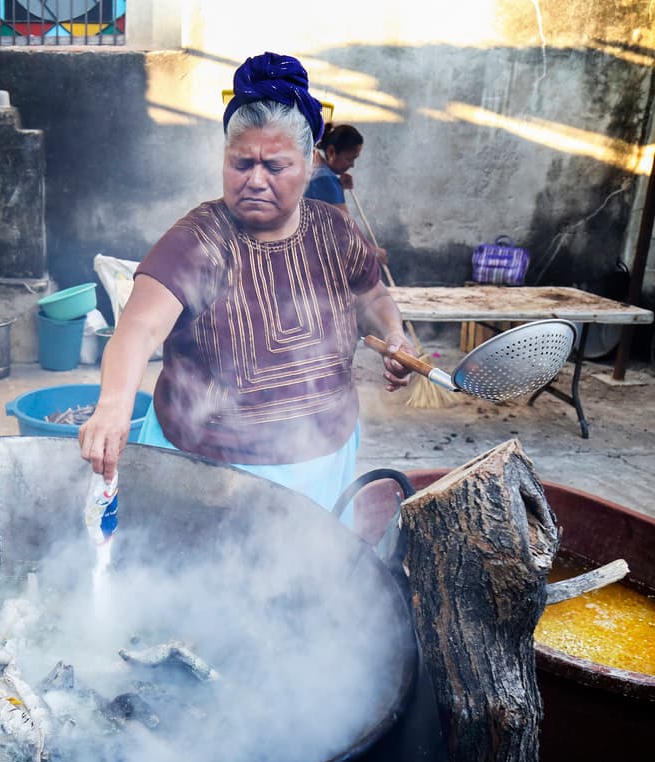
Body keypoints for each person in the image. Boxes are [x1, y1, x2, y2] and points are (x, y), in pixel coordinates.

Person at [78, 53, 415, 512]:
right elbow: (139, 328)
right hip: (209, 471)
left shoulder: (334, 230)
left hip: (322, 457)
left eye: (275, 167)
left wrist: (394, 333)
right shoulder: (197, 241)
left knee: (312, 557)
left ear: (309, 164)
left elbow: (370, 295)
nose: (255, 180)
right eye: (241, 163)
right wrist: (114, 404)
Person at [305, 123, 388, 265]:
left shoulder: (315, 164)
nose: (352, 165)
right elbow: (344, 233)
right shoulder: (325, 180)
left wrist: (338, 185)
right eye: (349, 159)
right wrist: (372, 252)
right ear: (331, 151)